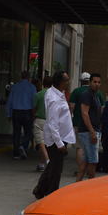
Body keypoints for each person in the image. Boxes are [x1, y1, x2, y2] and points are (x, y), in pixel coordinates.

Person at [33, 71, 75, 199]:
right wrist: (60, 144)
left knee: (53, 166)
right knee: (56, 170)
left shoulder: (57, 93)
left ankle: (40, 190)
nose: (68, 82)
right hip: (57, 138)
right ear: (60, 82)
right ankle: (51, 195)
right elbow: (53, 123)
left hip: (61, 136)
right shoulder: (54, 98)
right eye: (66, 80)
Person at [70, 72, 105, 181]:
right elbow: (84, 113)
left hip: (92, 130)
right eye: (94, 82)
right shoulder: (87, 94)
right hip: (88, 132)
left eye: (99, 82)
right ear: (89, 82)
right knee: (92, 162)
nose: (97, 84)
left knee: (84, 163)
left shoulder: (96, 95)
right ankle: (91, 186)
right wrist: (92, 132)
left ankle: (76, 187)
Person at [6, 71, 37, 160]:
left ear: (21, 77)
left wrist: (9, 114)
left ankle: (16, 153)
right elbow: (34, 101)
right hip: (27, 112)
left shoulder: (15, 87)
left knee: (16, 133)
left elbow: (10, 101)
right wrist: (34, 113)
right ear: (29, 77)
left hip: (16, 112)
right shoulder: (32, 87)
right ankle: (23, 146)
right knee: (29, 132)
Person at [32, 76, 52, 172]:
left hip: (39, 120)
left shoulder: (38, 95)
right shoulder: (54, 95)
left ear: (43, 83)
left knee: (40, 142)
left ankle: (47, 161)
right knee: (46, 143)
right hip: (51, 121)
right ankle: (41, 163)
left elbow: (34, 109)